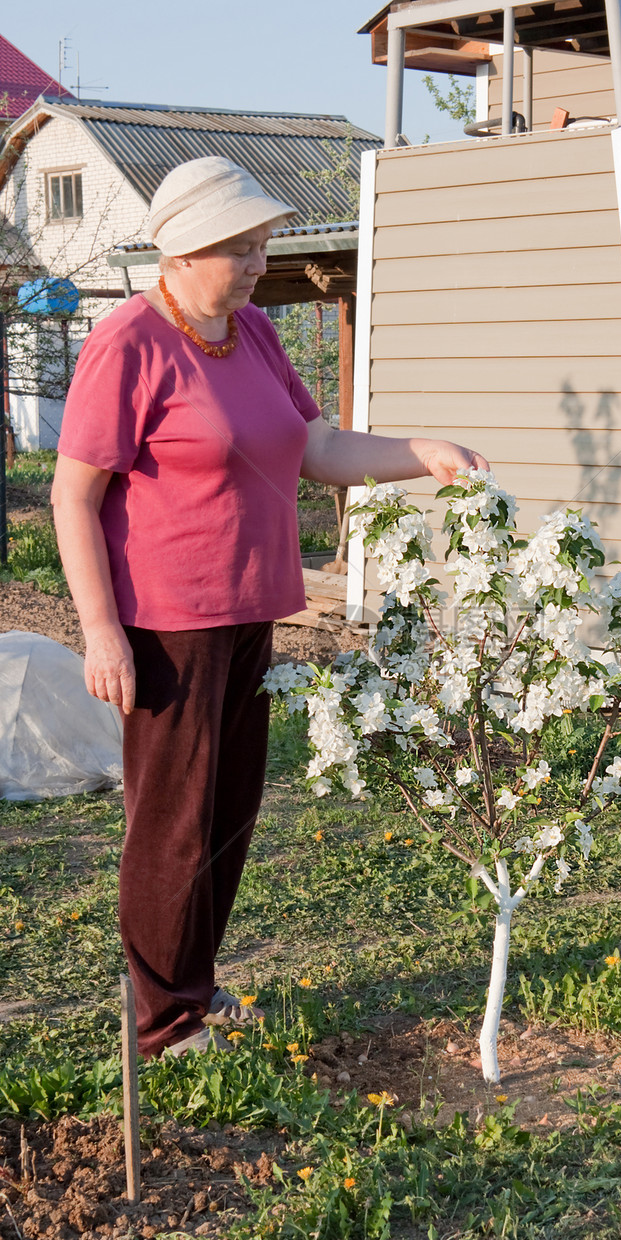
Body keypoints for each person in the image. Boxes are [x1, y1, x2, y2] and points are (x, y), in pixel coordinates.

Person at [52, 156, 488, 1059]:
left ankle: (197, 993)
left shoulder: (251, 336)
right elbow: (72, 495)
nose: (259, 264)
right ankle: (165, 1024)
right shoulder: (128, 343)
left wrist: (423, 451)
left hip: (252, 612)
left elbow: (318, 448)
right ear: (183, 249)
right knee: (173, 823)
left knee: (227, 815)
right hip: (169, 628)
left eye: (261, 245)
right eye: (242, 248)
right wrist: (101, 632)